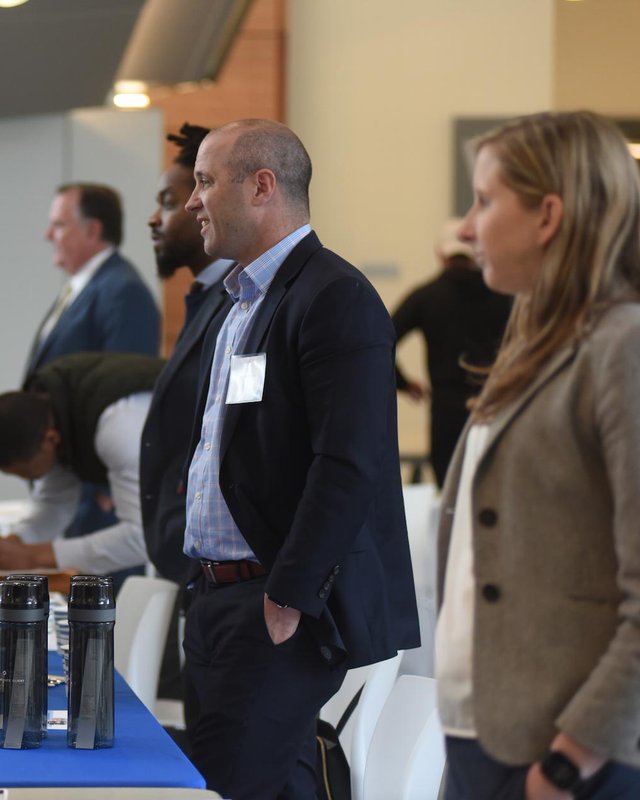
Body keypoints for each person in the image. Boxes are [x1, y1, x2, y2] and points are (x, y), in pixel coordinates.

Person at [180, 120, 420, 799]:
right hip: (219, 598)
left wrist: (287, 595)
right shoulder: (238, 303)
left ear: (261, 187)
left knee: (241, 787)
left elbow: (348, 464)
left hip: (276, 605)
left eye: (204, 181)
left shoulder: (333, 296)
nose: (192, 200)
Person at [436, 111, 640, 799]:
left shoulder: (623, 345)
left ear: (548, 214)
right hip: (482, 734)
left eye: (485, 201)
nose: (466, 228)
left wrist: (567, 762)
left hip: (570, 758)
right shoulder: (537, 343)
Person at [0, 352, 163, 575]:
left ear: (50, 440)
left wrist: (33, 556)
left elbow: (143, 537)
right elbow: (56, 503)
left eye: (28, 474)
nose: (30, 481)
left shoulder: (118, 428)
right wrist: (12, 544)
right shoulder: (53, 408)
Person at [141, 122, 234, 586]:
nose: (155, 219)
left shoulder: (240, 302)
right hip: (186, 555)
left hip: (218, 565)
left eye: (166, 202)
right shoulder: (206, 296)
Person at [392, 219, 511, 485]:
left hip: (446, 411)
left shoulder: (426, 296)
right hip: (493, 408)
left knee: (448, 492)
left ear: (440, 254)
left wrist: (402, 383)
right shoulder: (505, 296)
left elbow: (381, 341)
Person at [23, 182, 159, 379]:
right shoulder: (79, 287)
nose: (48, 235)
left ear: (93, 230)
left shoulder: (124, 292)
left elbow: (124, 387)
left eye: (59, 225)